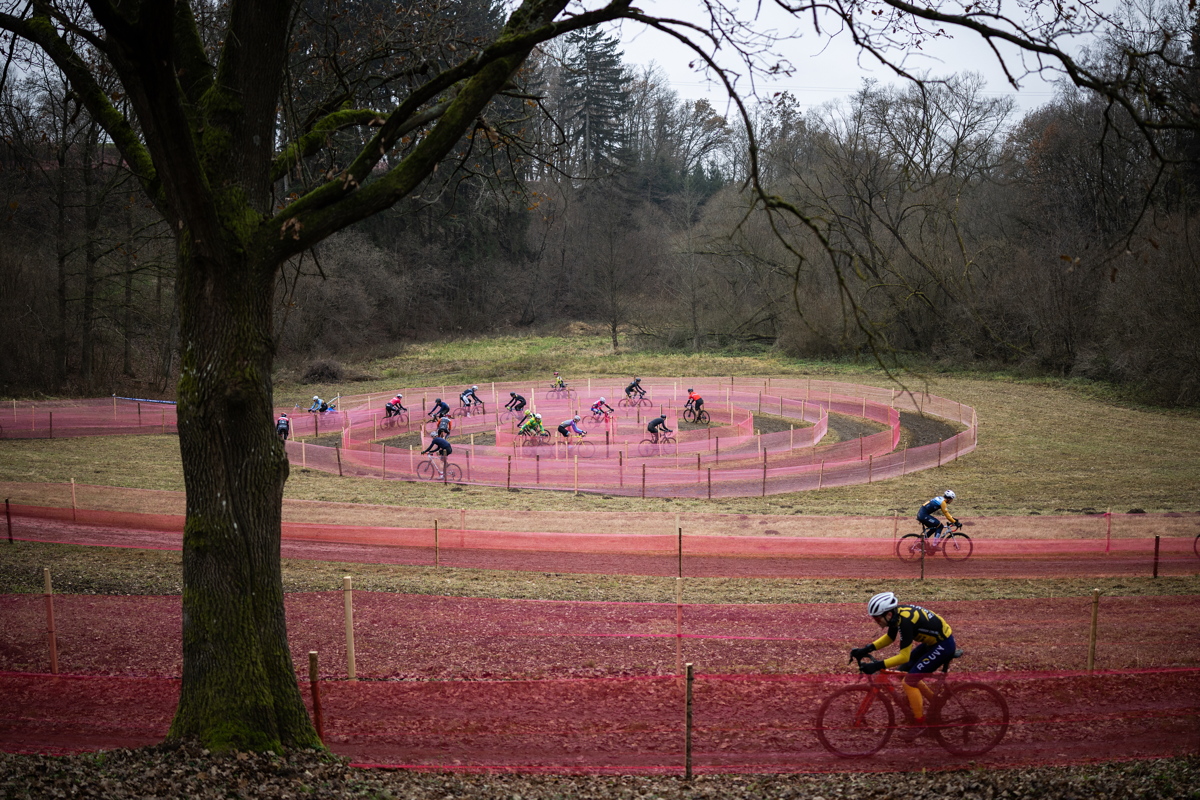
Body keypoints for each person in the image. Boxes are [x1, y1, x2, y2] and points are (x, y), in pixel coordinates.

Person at [850, 592, 957, 741]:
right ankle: (935, 702)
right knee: (902, 672)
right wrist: (866, 649)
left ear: (888, 614)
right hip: (933, 643)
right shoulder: (897, 616)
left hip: (944, 646)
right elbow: (890, 637)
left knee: (909, 682)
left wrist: (877, 665)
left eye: (877, 618)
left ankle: (920, 724)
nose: (876, 621)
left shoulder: (905, 622)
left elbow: (904, 656)